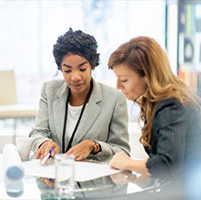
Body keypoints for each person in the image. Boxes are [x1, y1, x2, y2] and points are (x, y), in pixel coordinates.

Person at [108, 36, 201, 179]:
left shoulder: (172, 106)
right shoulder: (154, 103)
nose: (118, 87)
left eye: (124, 80)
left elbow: (166, 164)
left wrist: (128, 163)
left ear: (147, 75)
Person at [29, 28, 130, 163]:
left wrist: (95, 146)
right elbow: (38, 133)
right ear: (60, 68)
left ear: (93, 65)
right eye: (67, 70)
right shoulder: (50, 90)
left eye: (82, 69)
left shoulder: (114, 98)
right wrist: (43, 143)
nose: (75, 77)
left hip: (95, 180)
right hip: (54, 177)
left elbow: (122, 151)